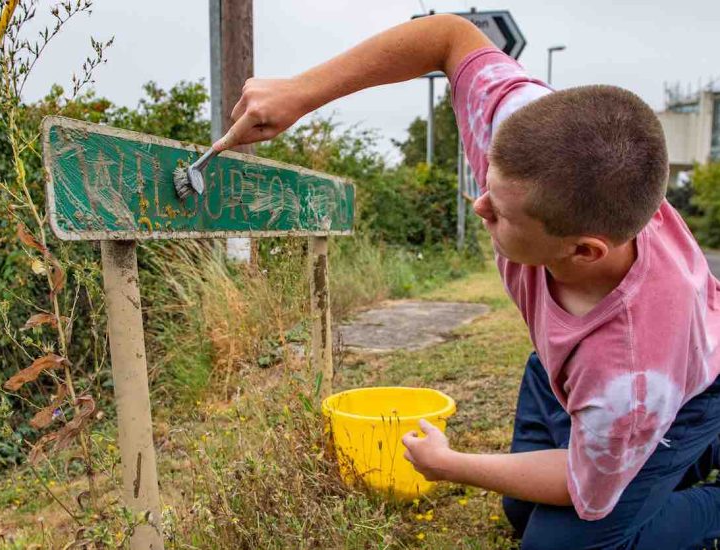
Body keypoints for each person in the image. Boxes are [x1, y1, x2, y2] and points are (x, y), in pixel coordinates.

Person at [211, 14, 720, 549]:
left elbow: (577, 483)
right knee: (522, 511)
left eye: (500, 212)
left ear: (584, 250)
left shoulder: (631, 380)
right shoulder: (533, 151)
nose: (479, 206)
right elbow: (448, 36)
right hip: (567, 371)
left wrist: (450, 465)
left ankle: (705, 494)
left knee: (556, 545)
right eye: (489, 187)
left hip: (685, 395)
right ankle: (653, 470)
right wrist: (301, 92)